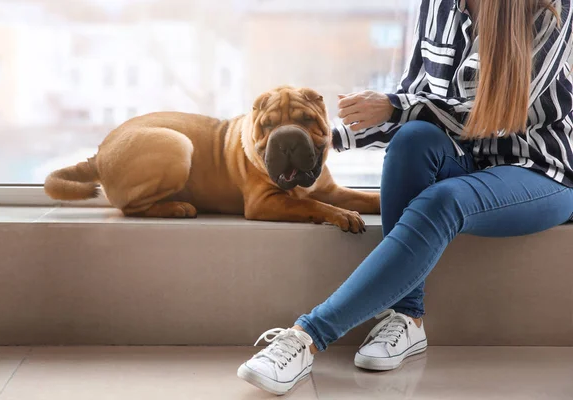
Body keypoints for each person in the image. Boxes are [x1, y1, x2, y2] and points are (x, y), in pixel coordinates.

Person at [237, 0, 573, 395]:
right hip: (466, 158)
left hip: (540, 172)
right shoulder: (440, 5)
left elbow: (499, 115)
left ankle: (306, 337)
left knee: (443, 199)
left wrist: (395, 108)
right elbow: (415, 102)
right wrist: (326, 142)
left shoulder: (548, 8)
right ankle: (408, 319)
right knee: (412, 140)